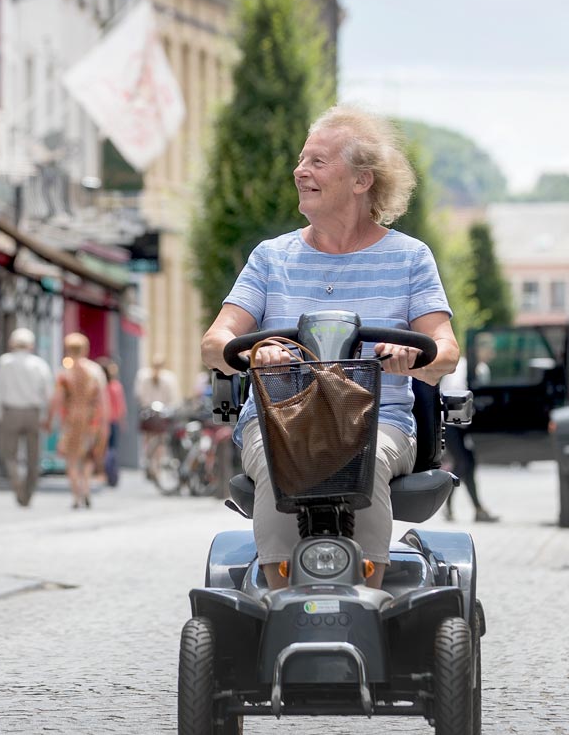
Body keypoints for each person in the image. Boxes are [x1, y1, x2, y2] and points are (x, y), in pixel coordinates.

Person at [200, 104, 459, 591]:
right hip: (279, 421)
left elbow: (445, 350)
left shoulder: (409, 257)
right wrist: (252, 353)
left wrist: (414, 358)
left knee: (366, 460)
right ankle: (283, 598)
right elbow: (215, 342)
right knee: (284, 460)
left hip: (379, 421)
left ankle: (368, 594)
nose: (301, 171)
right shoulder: (271, 257)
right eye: (302, 160)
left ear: (362, 181)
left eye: (318, 162)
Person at [0, 327, 54, 506]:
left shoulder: (5, 362)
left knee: (8, 454)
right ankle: (28, 493)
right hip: (33, 412)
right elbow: (49, 393)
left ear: (12, 343)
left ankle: (17, 482)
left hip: (10, 412)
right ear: (31, 345)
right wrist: (47, 416)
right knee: (34, 456)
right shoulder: (39, 364)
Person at [50, 332, 107, 509]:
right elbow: (102, 399)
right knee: (88, 456)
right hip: (91, 419)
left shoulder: (64, 373)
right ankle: (87, 488)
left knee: (72, 458)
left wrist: (50, 419)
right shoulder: (94, 371)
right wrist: (104, 423)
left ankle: (76, 495)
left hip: (71, 419)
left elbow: (57, 399)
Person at [441, 356, 498, 523]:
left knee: (469, 463)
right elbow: (455, 391)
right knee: (463, 464)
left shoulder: (480, 367)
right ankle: (450, 504)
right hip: (452, 423)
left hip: (463, 426)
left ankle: (477, 509)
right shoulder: (463, 366)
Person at [134, 356, 180, 480]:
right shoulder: (169, 378)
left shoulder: (143, 375)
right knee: (160, 443)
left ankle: (150, 464)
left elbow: (139, 395)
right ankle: (157, 467)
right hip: (161, 414)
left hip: (148, 413)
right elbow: (173, 398)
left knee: (148, 440)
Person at [97, 356, 127, 487]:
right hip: (112, 421)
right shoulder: (115, 386)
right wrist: (122, 420)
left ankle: (103, 473)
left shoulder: (99, 387)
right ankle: (111, 473)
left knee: (101, 448)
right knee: (112, 448)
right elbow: (121, 406)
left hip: (99, 421)